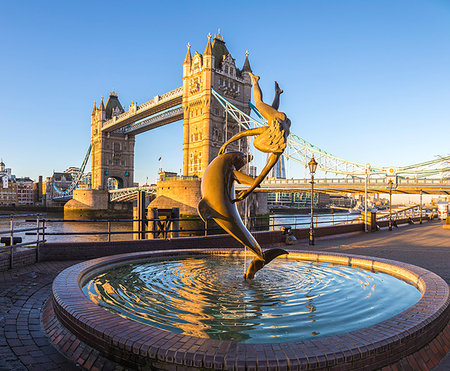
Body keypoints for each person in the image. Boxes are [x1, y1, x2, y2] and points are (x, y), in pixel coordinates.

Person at [218, 72, 291, 202]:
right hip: (280, 122)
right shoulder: (276, 149)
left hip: (282, 122)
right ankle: (258, 82)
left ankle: (270, 89)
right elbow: (262, 175)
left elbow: (245, 133)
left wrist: (226, 143)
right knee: (260, 105)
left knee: (265, 108)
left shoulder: (271, 134)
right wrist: (247, 191)